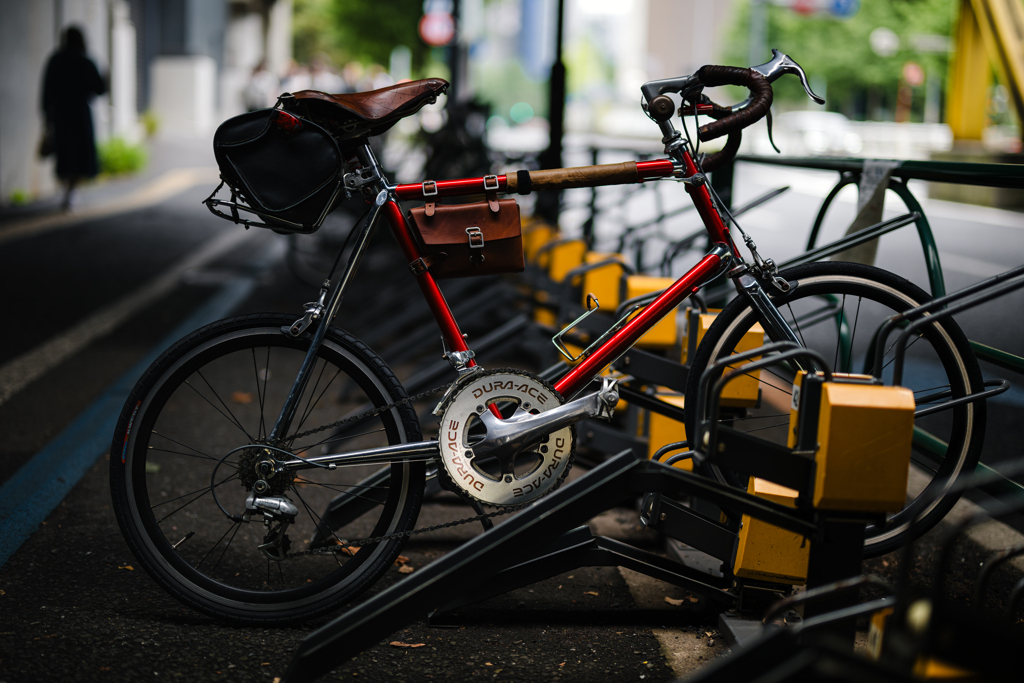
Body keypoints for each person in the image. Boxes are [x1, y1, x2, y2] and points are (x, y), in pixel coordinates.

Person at [41, 26, 107, 210]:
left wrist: (46, 116)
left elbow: (46, 91)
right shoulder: (85, 61)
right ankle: (72, 192)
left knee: (64, 153)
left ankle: (66, 190)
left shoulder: (56, 60)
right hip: (80, 114)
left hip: (61, 113)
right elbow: (99, 88)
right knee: (80, 154)